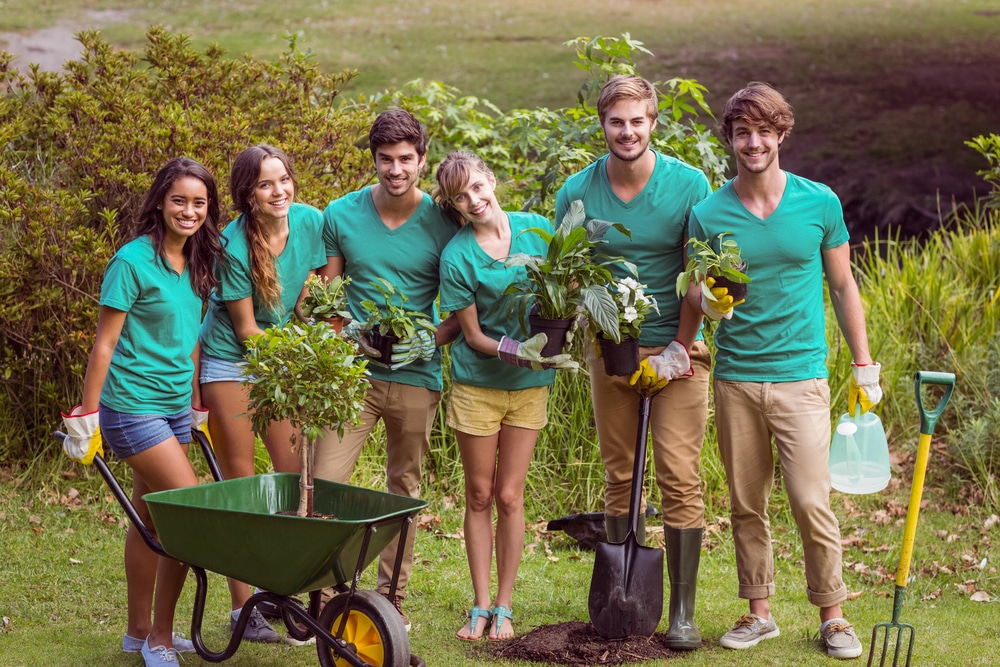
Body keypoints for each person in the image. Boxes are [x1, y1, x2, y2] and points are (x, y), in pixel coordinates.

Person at [688, 81, 882, 660]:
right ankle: (758, 612)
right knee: (746, 503)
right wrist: (704, 307)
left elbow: (844, 285)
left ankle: (834, 616)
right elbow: (692, 290)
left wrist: (865, 362)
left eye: (764, 132)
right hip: (736, 379)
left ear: (781, 135)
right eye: (743, 133)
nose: (753, 143)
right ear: (731, 139)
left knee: (809, 499)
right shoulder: (708, 213)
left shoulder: (818, 202)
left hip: (802, 376)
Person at [554, 74, 713, 650]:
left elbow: (702, 277)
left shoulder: (688, 185)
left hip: (680, 348)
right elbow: (567, 271)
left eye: (637, 121)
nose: (627, 131)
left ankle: (683, 613)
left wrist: (677, 348)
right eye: (616, 122)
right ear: (602, 126)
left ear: (653, 123)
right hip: (611, 350)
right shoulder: (577, 189)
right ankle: (627, 601)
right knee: (621, 475)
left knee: (678, 475)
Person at [62, 157, 225, 666]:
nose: (189, 211)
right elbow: (104, 346)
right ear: (159, 200)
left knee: (152, 519)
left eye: (199, 203)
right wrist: (87, 418)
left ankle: (137, 631)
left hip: (176, 408)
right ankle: (160, 638)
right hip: (132, 409)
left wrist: (196, 404)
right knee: (190, 515)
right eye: (180, 200)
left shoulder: (197, 260)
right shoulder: (131, 262)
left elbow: (192, 342)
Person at [315, 109, 461, 630]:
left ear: (422, 160)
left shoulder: (446, 221)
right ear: (373, 159)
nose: (395, 169)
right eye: (385, 159)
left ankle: (390, 598)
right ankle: (326, 594)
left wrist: (433, 337)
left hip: (417, 374)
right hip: (352, 375)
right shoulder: (342, 214)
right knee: (326, 481)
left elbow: (465, 301)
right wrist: (348, 331)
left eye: (405, 159)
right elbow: (329, 300)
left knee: (403, 487)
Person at [433, 151, 577, 641]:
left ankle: (505, 605)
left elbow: (566, 287)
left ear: (491, 180)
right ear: (453, 205)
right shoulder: (457, 256)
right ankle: (478, 605)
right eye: (460, 197)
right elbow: (471, 337)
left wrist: (564, 331)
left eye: (477, 187)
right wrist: (525, 350)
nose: (473, 200)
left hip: (529, 388)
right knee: (479, 494)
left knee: (510, 495)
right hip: (478, 386)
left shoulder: (537, 229)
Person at [198, 144, 327, 643]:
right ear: (248, 195)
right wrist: (303, 352)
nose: (279, 191)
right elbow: (248, 330)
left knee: (292, 477)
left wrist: (314, 333)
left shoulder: (311, 222)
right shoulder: (231, 244)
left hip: (281, 358)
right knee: (243, 483)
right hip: (232, 362)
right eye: (266, 184)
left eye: (284, 180)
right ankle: (241, 607)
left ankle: (281, 590)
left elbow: (311, 290)